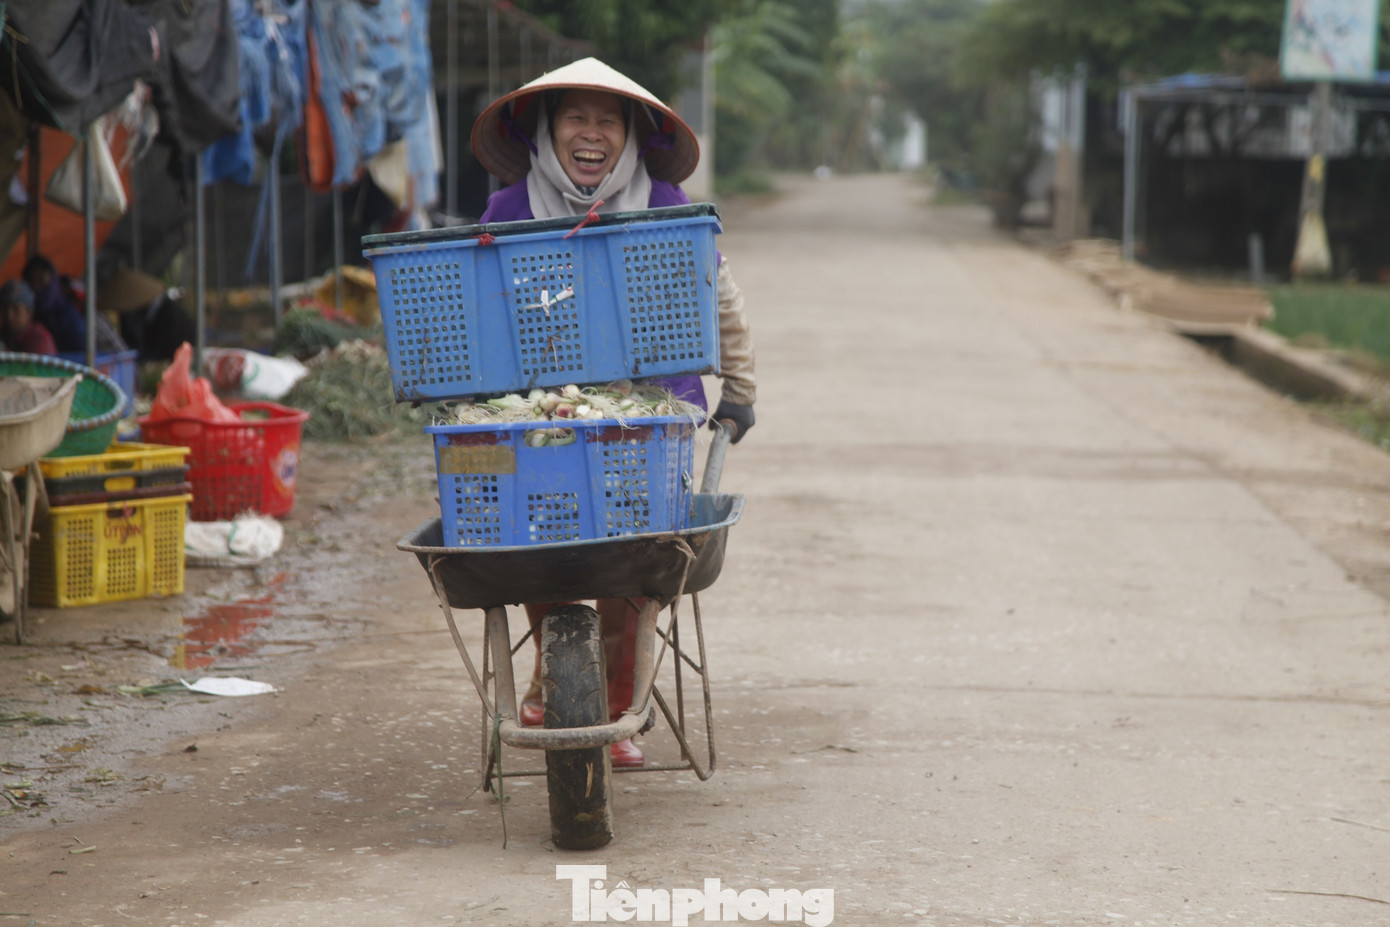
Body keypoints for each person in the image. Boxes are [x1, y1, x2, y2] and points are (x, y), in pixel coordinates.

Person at [470, 58, 757, 767]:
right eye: (576, 117)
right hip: (540, 415)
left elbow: (719, 297)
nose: (591, 134)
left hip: (648, 416)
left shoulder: (666, 203)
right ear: (547, 128)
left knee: (634, 559)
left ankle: (616, 700)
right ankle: (555, 671)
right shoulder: (508, 210)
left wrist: (740, 388)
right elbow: (474, 309)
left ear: (630, 136)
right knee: (537, 547)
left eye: (609, 120)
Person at [0, 279, 58, 355]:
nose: (9, 315)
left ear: (29, 313)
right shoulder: (4, 334)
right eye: (4, 309)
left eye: (16, 309)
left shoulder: (39, 338)